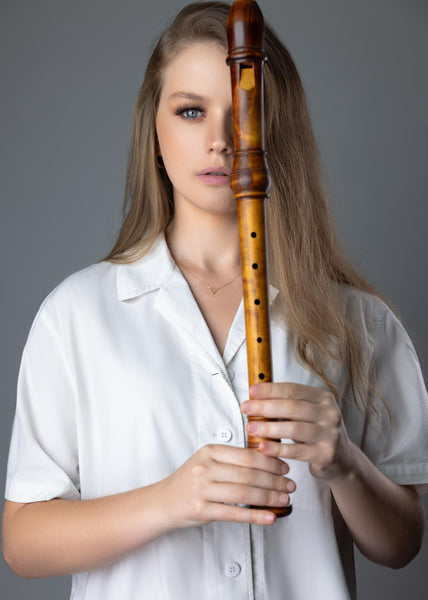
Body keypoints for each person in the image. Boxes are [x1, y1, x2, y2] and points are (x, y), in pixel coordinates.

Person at [2, 2, 427, 599]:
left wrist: (345, 464)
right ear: (154, 127)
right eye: (191, 111)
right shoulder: (76, 314)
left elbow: (403, 544)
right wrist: (172, 500)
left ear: (278, 129)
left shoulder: (360, 321)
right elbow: (22, 540)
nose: (221, 141)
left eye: (245, 113)